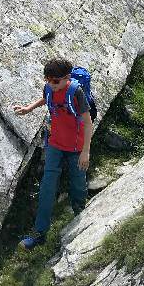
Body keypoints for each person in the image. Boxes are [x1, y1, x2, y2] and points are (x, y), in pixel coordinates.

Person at [13, 58, 93, 248]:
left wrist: (85, 152)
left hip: (76, 148)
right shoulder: (50, 88)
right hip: (55, 144)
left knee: (78, 185)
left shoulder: (76, 92)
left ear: (67, 78)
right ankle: (40, 234)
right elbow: (46, 98)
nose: (50, 84)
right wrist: (29, 108)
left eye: (55, 81)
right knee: (47, 189)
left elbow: (88, 122)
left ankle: (81, 218)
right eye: (47, 79)